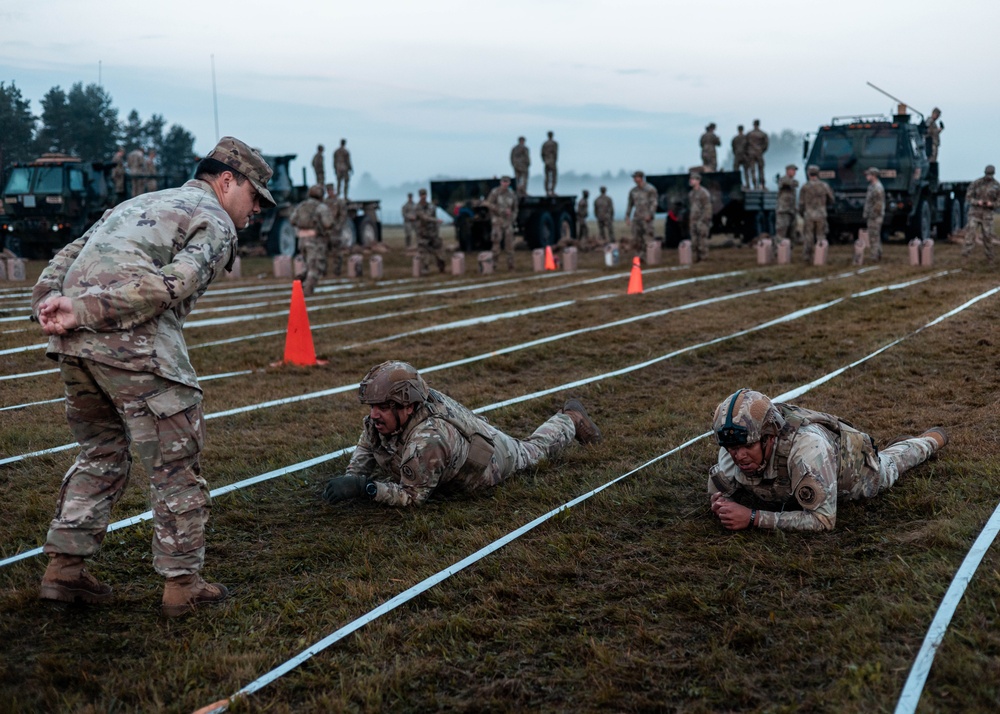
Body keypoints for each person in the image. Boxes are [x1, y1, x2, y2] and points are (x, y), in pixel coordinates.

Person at [30, 136, 275, 617]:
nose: (256, 212)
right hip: (132, 345)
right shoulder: (216, 219)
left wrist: (50, 302)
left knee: (99, 452)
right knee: (174, 462)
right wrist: (83, 309)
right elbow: (176, 283)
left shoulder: (140, 200)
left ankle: (64, 572)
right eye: (255, 197)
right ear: (228, 181)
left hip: (74, 346)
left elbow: (70, 252)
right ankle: (182, 585)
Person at [321, 361, 602, 507]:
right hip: (465, 438)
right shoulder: (390, 416)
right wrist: (352, 476)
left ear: (406, 407)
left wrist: (367, 489)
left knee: (531, 452)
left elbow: (411, 496)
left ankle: (570, 419)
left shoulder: (428, 440)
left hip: (489, 460)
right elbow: (369, 443)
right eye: (373, 407)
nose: (374, 415)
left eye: (383, 407)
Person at [708, 388, 947, 532]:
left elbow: (822, 520)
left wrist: (753, 518)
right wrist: (720, 503)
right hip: (794, 479)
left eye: (748, 447)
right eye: (732, 448)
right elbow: (720, 491)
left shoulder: (807, 450)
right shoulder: (733, 447)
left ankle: (927, 441)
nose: (739, 455)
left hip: (853, 472)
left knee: (890, 467)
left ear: (769, 437)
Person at [290, 184, 335, 296]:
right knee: (315, 267)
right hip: (315, 241)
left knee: (308, 264)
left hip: (301, 240)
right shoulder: (321, 207)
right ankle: (307, 291)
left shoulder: (301, 206)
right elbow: (328, 223)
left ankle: (299, 281)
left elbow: (292, 220)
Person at [797, 165, 835, 263]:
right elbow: (831, 199)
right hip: (821, 214)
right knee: (821, 236)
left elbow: (801, 204)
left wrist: (802, 213)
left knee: (808, 236)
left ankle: (807, 257)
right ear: (818, 174)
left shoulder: (805, 187)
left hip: (809, 215)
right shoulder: (824, 186)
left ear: (808, 174)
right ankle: (821, 256)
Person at [963, 164, 1000, 261]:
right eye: (988, 174)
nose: (989, 176)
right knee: (970, 234)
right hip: (974, 213)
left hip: (987, 215)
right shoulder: (976, 183)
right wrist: (977, 202)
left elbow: (999, 202)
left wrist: (992, 204)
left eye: (990, 174)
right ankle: (965, 255)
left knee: (987, 236)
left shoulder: (997, 186)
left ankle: (990, 257)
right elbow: (968, 197)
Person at [484, 176, 518, 270]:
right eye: (503, 182)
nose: (505, 184)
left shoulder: (512, 194)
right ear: (500, 182)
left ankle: (511, 265)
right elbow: (488, 204)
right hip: (497, 221)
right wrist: (501, 210)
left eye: (507, 182)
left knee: (510, 244)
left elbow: (515, 208)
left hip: (508, 222)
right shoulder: (495, 192)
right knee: (496, 243)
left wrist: (513, 217)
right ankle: (494, 265)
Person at [625, 170, 658, 257]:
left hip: (647, 217)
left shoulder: (650, 189)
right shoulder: (633, 191)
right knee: (637, 237)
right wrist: (627, 216)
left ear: (641, 178)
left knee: (648, 236)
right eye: (634, 178)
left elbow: (654, 203)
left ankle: (651, 256)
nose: (635, 179)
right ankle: (640, 256)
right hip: (637, 217)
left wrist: (650, 215)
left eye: (636, 177)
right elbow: (630, 204)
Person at [414, 188, 446, 274]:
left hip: (433, 233)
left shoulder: (431, 207)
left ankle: (441, 266)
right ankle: (425, 269)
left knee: (439, 251)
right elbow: (424, 217)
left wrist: (436, 229)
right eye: (422, 195)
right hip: (423, 234)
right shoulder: (417, 207)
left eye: (424, 194)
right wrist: (436, 220)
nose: (423, 197)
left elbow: (434, 217)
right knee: (424, 253)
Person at [324, 183, 349, 276]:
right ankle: (324, 271)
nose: (330, 192)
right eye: (328, 190)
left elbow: (343, 215)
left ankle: (337, 271)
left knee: (337, 252)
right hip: (326, 231)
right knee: (324, 252)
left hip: (336, 230)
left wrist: (338, 226)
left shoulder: (339, 201)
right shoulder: (325, 202)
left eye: (331, 190)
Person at [861, 167, 885, 262]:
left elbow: (878, 205)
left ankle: (874, 256)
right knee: (875, 235)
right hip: (872, 215)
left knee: (873, 236)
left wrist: (872, 215)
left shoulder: (877, 188)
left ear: (873, 176)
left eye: (868, 175)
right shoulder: (871, 187)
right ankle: (878, 253)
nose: (867, 177)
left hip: (875, 216)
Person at [774, 164, 799, 256]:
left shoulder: (791, 182)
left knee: (792, 234)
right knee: (781, 233)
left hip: (791, 211)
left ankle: (788, 252)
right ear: (788, 170)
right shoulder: (783, 179)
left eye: (795, 170)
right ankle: (777, 252)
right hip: (783, 211)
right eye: (793, 170)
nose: (794, 172)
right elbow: (791, 183)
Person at [688, 172, 712, 261]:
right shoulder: (691, 194)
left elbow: (707, 208)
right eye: (691, 179)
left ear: (698, 181)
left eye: (693, 179)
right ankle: (697, 257)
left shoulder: (704, 193)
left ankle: (704, 257)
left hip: (701, 220)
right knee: (694, 240)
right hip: (693, 220)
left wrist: (704, 220)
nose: (691, 181)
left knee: (702, 239)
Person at [746, 119, 769, 189]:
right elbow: (766, 144)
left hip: (751, 153)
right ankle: (762, 184)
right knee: (761, 169)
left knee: (752, 170)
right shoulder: (763, 134)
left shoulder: (749, 134)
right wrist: (762, 150)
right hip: (759, 153)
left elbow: (745, 144)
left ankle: (754, 185)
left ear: (753, 124)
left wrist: (748, 152)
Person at [541, 131, 558, 196]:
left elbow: (542, 153)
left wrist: (545, 160)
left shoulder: (544, 144)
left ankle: (547, 191)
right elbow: (555, 153)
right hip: (552, 162)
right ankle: (552, 190)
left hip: (546, 162)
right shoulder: (554, 143)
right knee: (553, 177)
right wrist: (554, 160)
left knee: (547, 178)